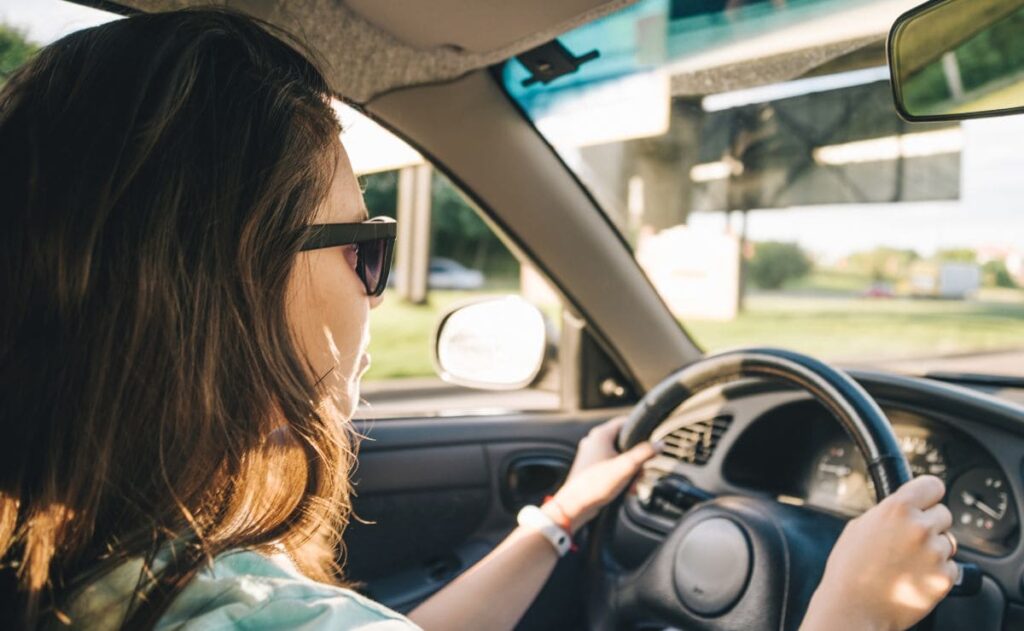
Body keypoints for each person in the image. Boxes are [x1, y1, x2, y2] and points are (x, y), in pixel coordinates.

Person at [0, 8, 958, 630]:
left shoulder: (106, 561)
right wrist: (854, 613)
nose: (374, 288)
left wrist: (562, 514)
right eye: (362, 243)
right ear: (223, 288)